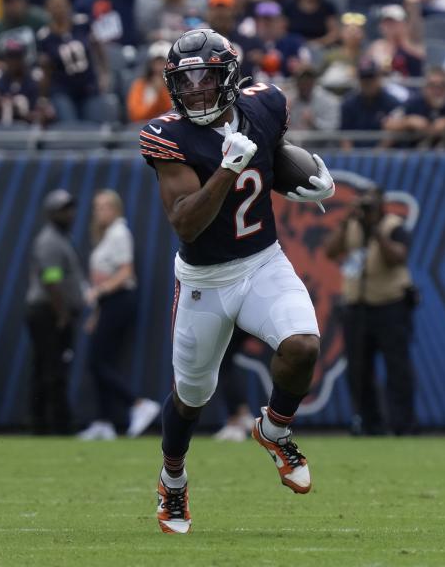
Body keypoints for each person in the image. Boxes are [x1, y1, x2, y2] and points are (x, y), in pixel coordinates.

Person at [139, 28, 335, 533]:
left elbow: (276, 149)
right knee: (192, 396)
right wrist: (228, 169)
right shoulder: (168, 135)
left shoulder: (266, 104)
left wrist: (303, 173)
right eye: (186, 81)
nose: (197, 90)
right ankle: (173, 481)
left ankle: (274, 428)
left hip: (262, 260)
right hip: (205, 278)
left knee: (303, 346)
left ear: (229, 78)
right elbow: (184, 221)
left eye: (207, 78)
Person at [324, 186, 416, 436]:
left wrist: (376, 230)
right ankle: (368, 423)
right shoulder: (352, 225)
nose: (367, 209)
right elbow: (330, 251)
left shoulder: (393, 225)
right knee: (359, 368)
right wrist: (345, 222)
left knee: (397, 368)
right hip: (356, 308)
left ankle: (402, 424)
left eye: (371, 205)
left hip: (390, 305)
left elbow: (398, 257)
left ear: (382, 204)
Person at [78, 189, 159, 441]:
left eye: (104, 206)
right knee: (103, 360)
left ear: (115, 209)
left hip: (121, 300)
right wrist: (96, 313)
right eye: (96, 206)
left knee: (97, 361)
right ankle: (104, 422)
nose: (99, 211)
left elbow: (125, 272)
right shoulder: (106, 237)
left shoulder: (120, 233)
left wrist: (98, 292)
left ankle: (139, 404)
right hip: (109, 303)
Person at [25, 189, 85, 435]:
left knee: (47, 368)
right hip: (48, 312)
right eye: (63, 209)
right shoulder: (50, 240)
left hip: (50, 311)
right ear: (51, 213)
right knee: (52, 369)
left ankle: (41, 424)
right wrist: (61, 313)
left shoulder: (60, 238)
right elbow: (51, 279)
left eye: (70, 208)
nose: (70, 213)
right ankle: (57, 426)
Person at [383, 68, 445, 148]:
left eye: (442, 85)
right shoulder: (413, 103)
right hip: (417, 159)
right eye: (432, 86)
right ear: (425, 88)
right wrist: (409, 121)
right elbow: (388, 123)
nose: (437, 90)